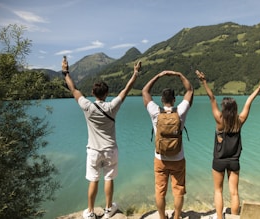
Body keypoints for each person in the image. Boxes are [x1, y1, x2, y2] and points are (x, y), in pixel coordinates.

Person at [62, 59, 142, 219]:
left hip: (93, 150)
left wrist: (65, 73)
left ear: (92, 94)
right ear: (106, 94)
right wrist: (135, 74)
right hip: (110, 150)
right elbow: (126, 90)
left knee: (93, 180)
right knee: (109, 178)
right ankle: (108, 209)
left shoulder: (87, 106)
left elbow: (73, 89)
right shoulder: (112, 107)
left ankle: (90, 212)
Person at [195, 70, 260, 219]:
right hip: (234, 161)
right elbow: (249, 100)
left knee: (218, 191)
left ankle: (220, 217)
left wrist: (203, 81)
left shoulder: (219, 120)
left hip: (219, 161)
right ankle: (235, 217)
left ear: (223, 108)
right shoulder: (240, 120)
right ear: (235, 109)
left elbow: (212, 98)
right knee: (234, 192)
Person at [142, 71, 194, 219]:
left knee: (160, 191)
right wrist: (179, 75)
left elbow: (145, 91)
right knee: (178, 191)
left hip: (160, 158)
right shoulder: (181, 111)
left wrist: (158, 75)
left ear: (161, 99)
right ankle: (177, 217)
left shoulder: (155, 111)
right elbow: (190, 90)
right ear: (174, 99)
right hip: (178, 158)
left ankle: (162, 217)